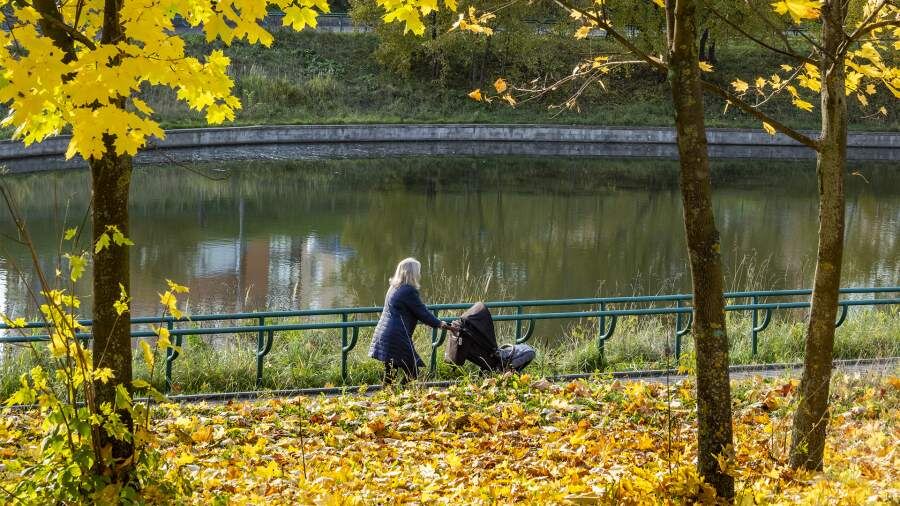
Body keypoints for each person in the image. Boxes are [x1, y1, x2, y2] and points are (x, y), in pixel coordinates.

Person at [369, 257, 453, 383]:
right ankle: (402, 395)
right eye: (418, 271)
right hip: (397, 337)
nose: (420, 274)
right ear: (412, 273)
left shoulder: (394, 287)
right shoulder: (408, 290)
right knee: (413, 372)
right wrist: (440, 324)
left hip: (385, 334)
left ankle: (389, 399)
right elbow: (422, 312)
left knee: (390, 373)